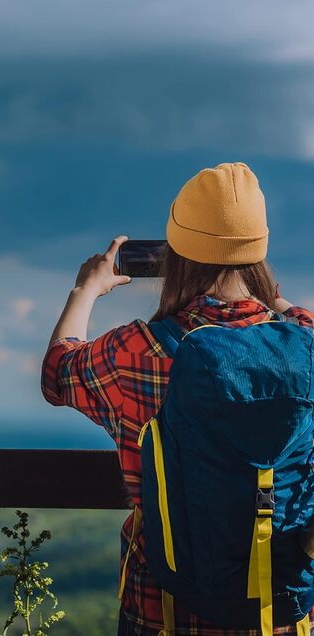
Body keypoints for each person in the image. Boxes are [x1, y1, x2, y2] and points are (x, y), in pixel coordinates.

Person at [42, 162, 314, 635]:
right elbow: (296, 318)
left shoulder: (135, 351)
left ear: (177, 254)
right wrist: (272, 299)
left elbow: (57, 374)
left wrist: (86, 289)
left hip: (165, 607)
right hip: (280, 608)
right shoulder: (305, 344)